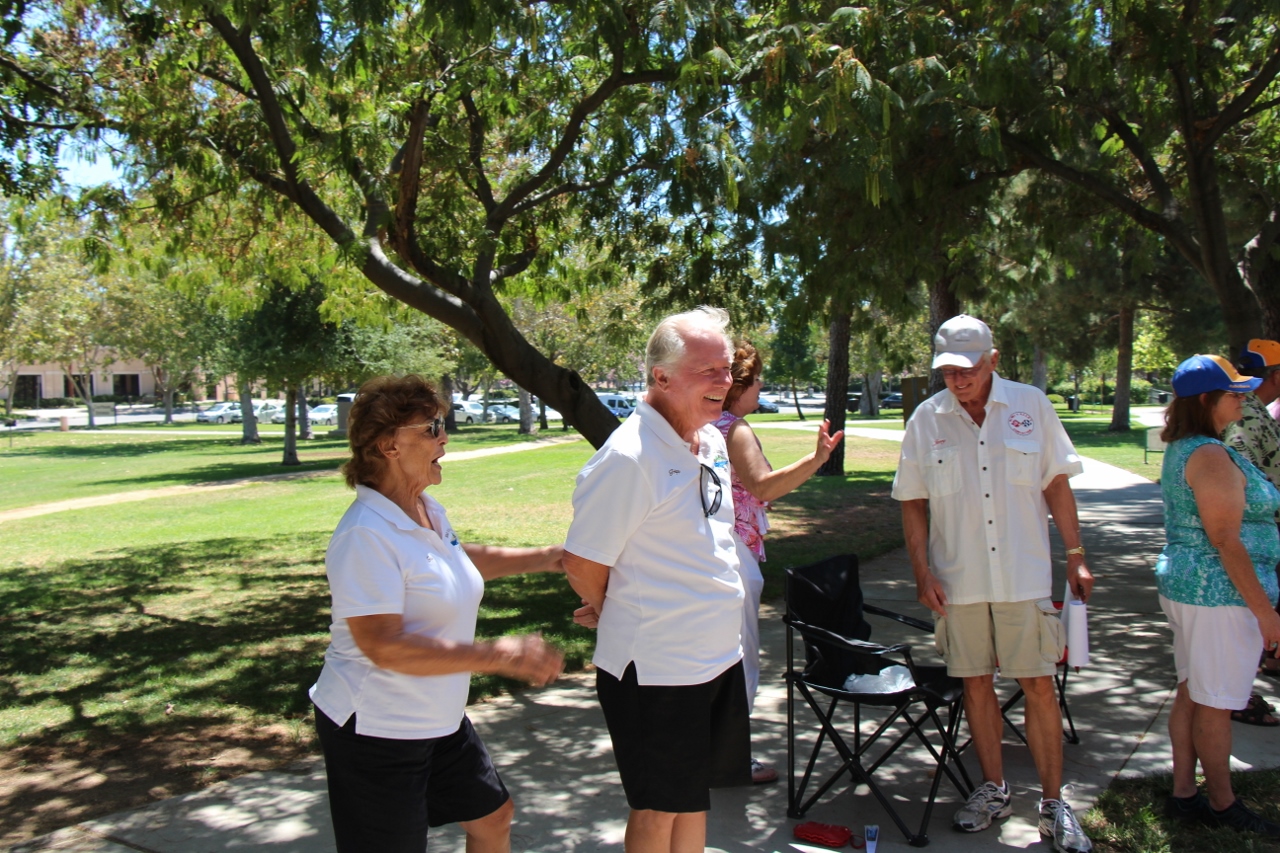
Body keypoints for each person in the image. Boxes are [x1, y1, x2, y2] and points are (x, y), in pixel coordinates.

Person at [309, 374, 565, 852]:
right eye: (431, 428)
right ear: (388, 445)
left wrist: (545, 557)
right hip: (377, 729)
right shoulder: (366, 534)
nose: (444, 437)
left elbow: (453, 562)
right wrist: (496, 655)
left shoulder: (424, 510)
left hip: (438, 719)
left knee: (492, 816)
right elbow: (383, 644)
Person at [891, 314, 1095, 853]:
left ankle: (1053, 804)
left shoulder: (1032, 405)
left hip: (1023, 576)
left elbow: (1056, 483)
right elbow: (912, 500)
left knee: (1037, 686)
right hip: (958, 581)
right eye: (948, 371)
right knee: (976, 684)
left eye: (969, 369)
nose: (958, 381)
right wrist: (921, 571)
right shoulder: (925, 419)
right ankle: (994, 789)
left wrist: (1075, 556)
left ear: (993, 360)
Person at [564, 306, 750, 853]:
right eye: (707, 370)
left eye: (726, 368)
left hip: (715, 657)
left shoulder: (710, 440)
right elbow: (582, 562)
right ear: (661, 377)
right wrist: (610, 607)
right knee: (656, 807)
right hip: (657, 669)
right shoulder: (628, 457)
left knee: (693, 798)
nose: (724, 380)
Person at [1156, 354, 1280, 836]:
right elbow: (1226, 540)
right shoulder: (1208, 455)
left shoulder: (1193, 447)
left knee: (1193, 693)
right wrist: (1265, 611)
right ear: (1207, 400)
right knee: (1216, 702)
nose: (1242, 400)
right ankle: (1224, 805)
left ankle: (1185, 795)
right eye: (1234, 393)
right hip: (1217, 596)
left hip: (1196, 591)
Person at [713, 341, 843, 783]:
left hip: (703, 554)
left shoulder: (697, 424)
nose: (762, 385)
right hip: (734, 558)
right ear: (739, 387)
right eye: (756, 379)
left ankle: (706, 751)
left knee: (708, 660)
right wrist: (817, 459)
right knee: (741, 657)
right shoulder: (735, 429)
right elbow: (764, 487)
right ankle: (732, 759)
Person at [1225, 338, 1280, 690]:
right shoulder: (1245, 416)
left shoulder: (1256, 411)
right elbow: (1238, 480)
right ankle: (1238, 695)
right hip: (1251, 541)